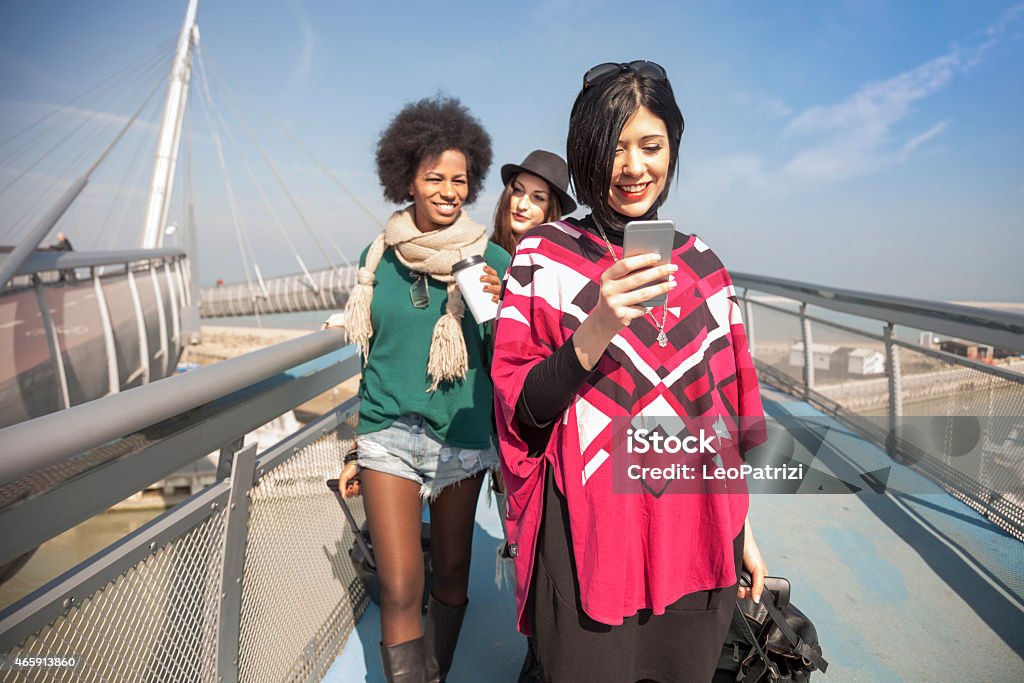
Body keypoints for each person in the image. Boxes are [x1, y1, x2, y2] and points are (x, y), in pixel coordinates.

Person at [491, 61, 768, 682]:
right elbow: (523, 412)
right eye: (614, 147)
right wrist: (597, 324)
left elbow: (721, 421)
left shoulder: (707, 270)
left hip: (696, 538)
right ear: (587, 152)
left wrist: (743, 528)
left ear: (673, 149)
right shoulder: (544, 257)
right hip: (589, 545)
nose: (634, 167)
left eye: (651, 145)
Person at [330, 95, 511, 683]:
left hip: (461, 433)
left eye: (460, 179)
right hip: (389, 432)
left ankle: (436, 670)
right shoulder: (374, 257)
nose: (448, 190)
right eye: (434, 177)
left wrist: (501, 304)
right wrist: (358, 444)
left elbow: (513, 353)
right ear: (406, 178)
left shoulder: (492, 258)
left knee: (453, 574)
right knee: (402, 584)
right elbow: (372, 354)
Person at [482, 150, 576, 682]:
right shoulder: (488, 258)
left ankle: (543, 657)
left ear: (554, 210)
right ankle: (539, 654)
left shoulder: (556, 266)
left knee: (544, 542)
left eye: (538, 197)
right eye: (518, 190)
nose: (523, 202)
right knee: (522, 538)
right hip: (497, 424)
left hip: (542, 423)